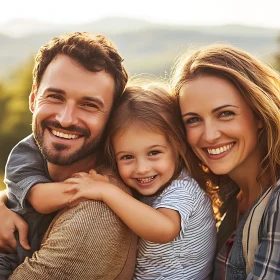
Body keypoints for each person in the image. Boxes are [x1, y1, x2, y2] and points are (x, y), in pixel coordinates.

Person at [0, 31, 137, 279]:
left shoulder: (95, 217)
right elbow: (23, 192)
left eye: (89, 105)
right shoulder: (28, 153)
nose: (65, 119)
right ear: (33, 98)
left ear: (112, 118)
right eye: (55, 96)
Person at [61, 83, 217, 279]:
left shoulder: (183, 189)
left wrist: (107, 192)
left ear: (178, 148)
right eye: (127, 157)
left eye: (154, 153)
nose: (142, 168)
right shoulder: (155, 185)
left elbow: (164, 229)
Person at [171, 44, 280, 279]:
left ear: (259, 114)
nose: (209, 135)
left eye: (225, 114)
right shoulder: (229, 198)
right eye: (193, 120)